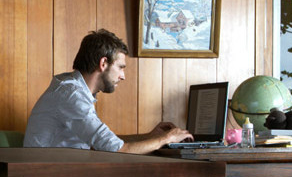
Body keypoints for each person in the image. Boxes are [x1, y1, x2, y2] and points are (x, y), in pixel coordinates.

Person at [24, 29, 193, 154]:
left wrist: (150, 136)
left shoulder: (73, 89)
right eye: (120, 67)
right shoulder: (72, 95)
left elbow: (106, 143)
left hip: (59, 176)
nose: (123, 76)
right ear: (103, 63)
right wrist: (167, 139)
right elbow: (118, 150)